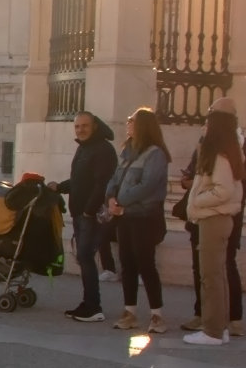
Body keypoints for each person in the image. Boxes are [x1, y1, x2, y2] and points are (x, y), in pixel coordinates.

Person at [180, 101, 243, 346]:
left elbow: (224, 190)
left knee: (211, 276)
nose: (204, 123)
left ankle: (213, 330)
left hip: (213, 218)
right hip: (216, 218)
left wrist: (197, 200)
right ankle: (219, 327)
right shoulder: (228, 149)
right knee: (217, 275)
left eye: (209, 118)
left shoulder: (219, 153)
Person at [46, 111, 118, 323]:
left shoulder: (103, 149)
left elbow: (101, 184)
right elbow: (79, 180)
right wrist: (59, 187)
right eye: (77, 127)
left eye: (84, 126)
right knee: (84, 258)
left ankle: (93, 306)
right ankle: (88, 303)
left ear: (95, 126)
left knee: (86, 257)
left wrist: (88, 210)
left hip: (90, 215)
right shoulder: (85, 148)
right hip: (80, 213)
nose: (80, 130)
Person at [104, 107, 170, 333]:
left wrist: (121, 201)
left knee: (146, 264)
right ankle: (130, 311)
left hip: (144, 217)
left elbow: (148, 185)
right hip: (125, 217)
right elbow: (115, 178)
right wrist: (111, 197)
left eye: (131, 120)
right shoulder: (128, 152)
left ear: (142, 125)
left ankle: (157, 315)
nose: (127, 124)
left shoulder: (155, 154)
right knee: (127, 263)